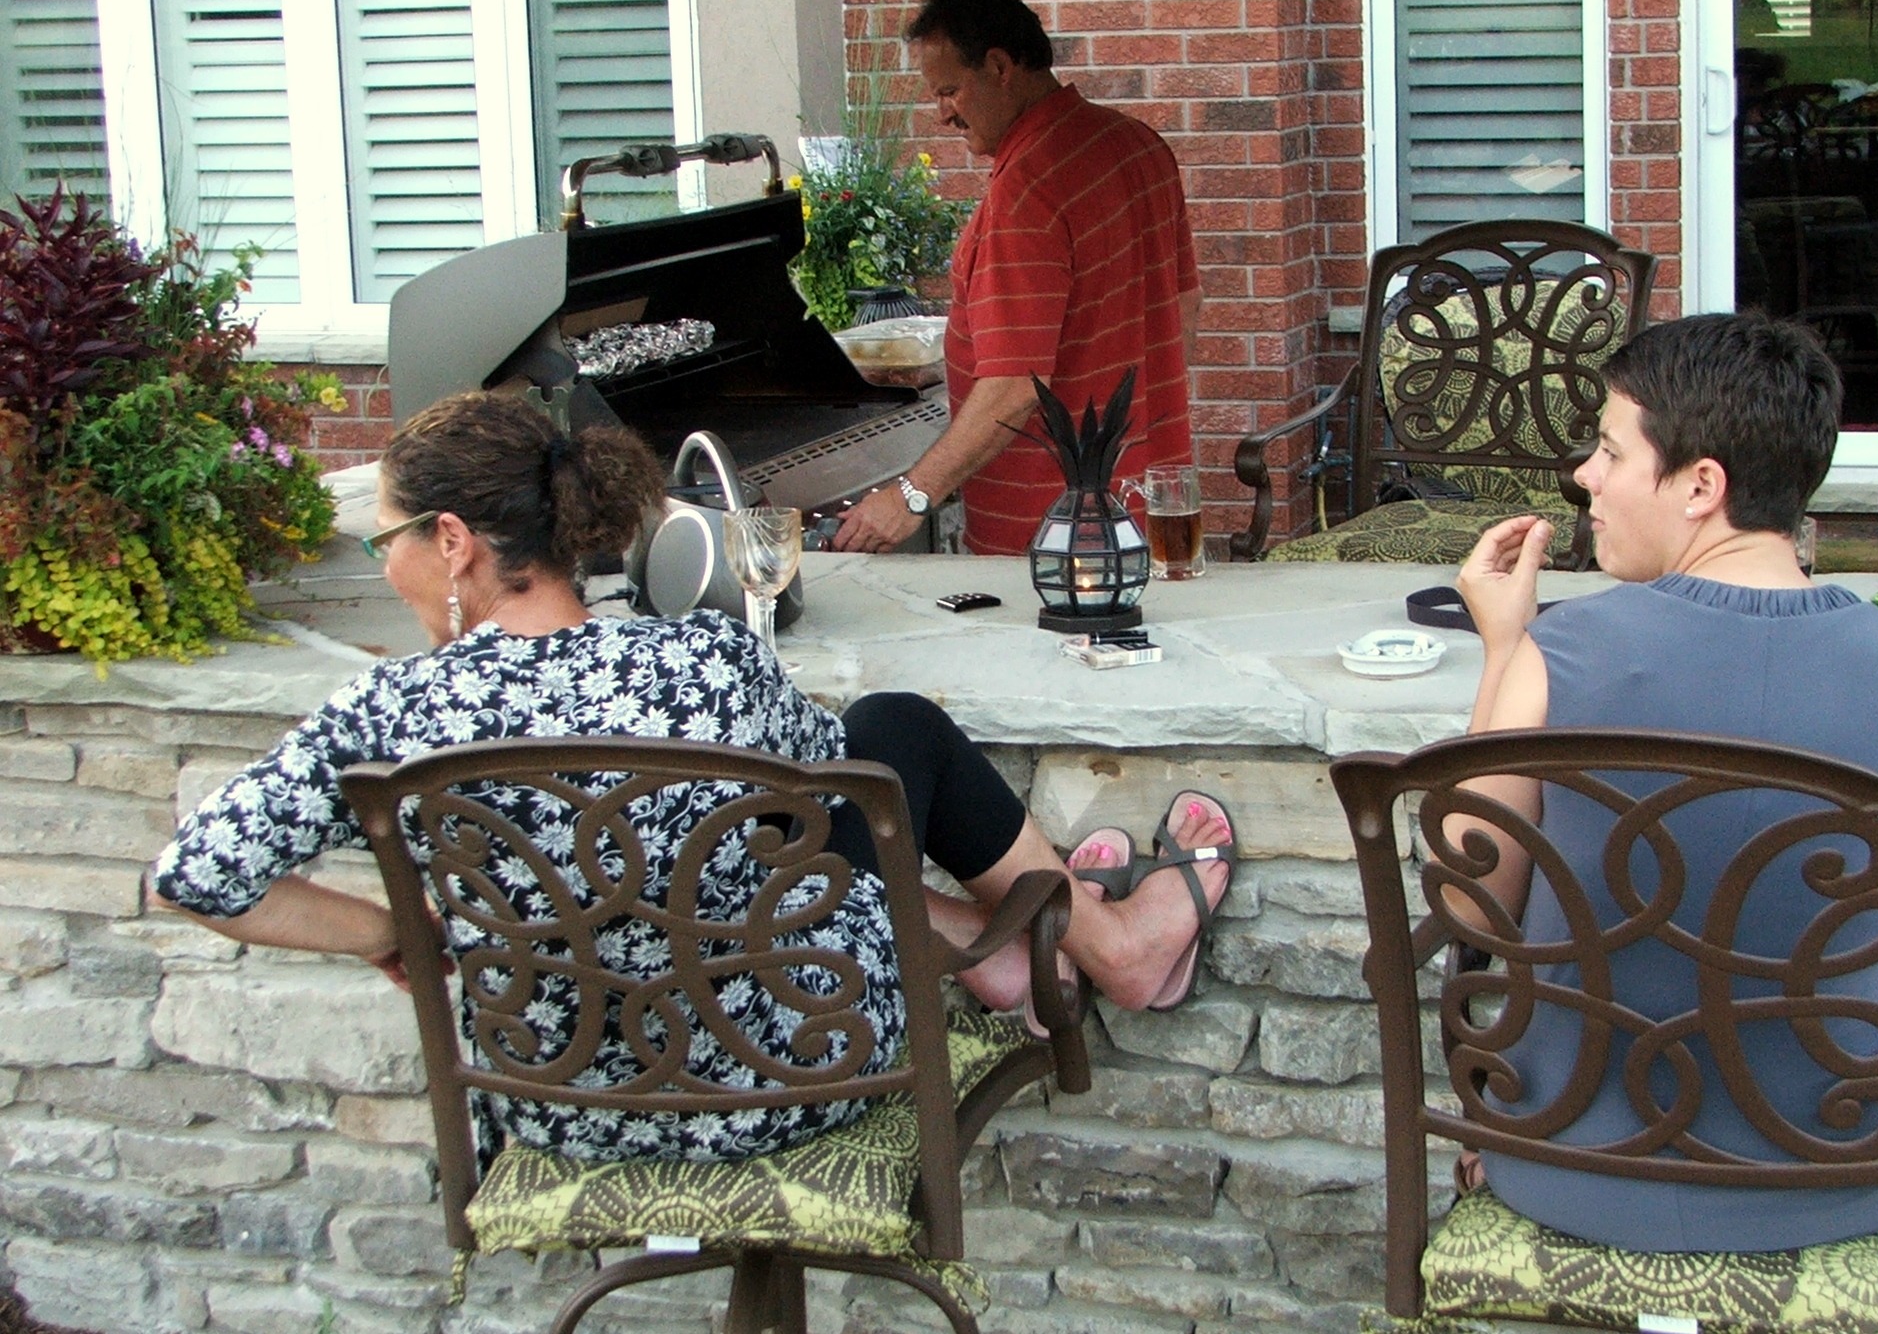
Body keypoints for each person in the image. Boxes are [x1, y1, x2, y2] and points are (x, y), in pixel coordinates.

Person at [153, 391, 1233, 1164]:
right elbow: (853, 804)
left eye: (382, 536)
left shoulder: (385, 713)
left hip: (552, 1104)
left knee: (801, 820)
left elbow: (197, 877)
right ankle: (1088, 946)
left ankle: (1000, 957)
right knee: (884, 738)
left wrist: (400, 933)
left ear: (451, 542)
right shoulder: (699, 659)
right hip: (789, 1081)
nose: (377, 561)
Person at [1447, 311, 1878, 1253]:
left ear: (1700, 486)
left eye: (1608, 451)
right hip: (1846, 1166)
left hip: (1574, 1164)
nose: (1584, 478)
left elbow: (1475, 912)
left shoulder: (1559, 652)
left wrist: (1503, 650)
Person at [830, 0, 1200, 556]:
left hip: (1051, 544)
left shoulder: (1027, 192)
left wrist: (908, 497)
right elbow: (1183, 310)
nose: (942, 114)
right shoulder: (1137, 144)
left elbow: (1013, 388)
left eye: (949, 90)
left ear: (1000, 67)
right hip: (1148, 501)